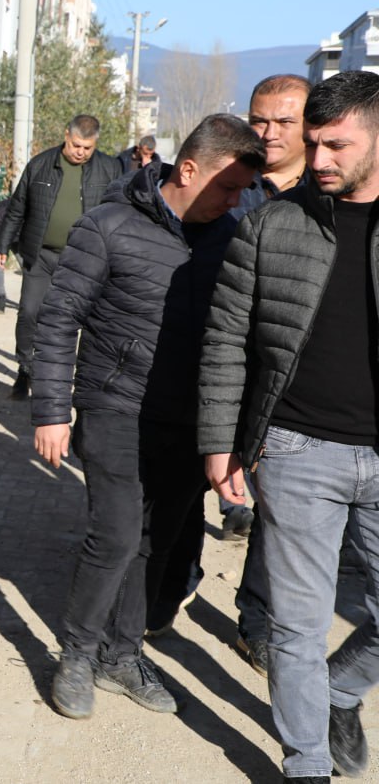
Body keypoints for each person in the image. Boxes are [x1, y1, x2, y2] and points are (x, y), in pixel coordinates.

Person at [32, 114, 263, 720]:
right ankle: (77, 655)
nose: (235, 200)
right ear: (187, 169)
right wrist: (53, 410)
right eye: (227, 187)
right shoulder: (107, 225)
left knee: (155, 543)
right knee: (113, 535)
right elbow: (57, 321)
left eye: (242, 191)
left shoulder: (233, 236)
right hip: (115, 406)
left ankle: (122, 653)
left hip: (193, 419)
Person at [198, 70, 379, 783]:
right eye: (314, 143)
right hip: (296, 450)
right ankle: (306, 765)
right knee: (298, 628)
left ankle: (339, 692)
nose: (320, 158)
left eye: (337, 144)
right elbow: (224, 340)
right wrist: (220, 442)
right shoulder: (273, 222)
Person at [146, 75, 312, 674]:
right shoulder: (230, 184)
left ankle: (257, 621)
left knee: (277, 502)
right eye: (258, 119)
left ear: (308, 125)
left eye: (282, 123)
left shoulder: (323, 192)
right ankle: (171, 583)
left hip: (285, 379)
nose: (267, 133)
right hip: (209, 366)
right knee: (192, 482)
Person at [0, 114, 120, 399]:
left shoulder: (110, 169)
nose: (81, 152)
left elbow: (120, 212)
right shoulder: (40, 165)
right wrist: (2, 245)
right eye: (77, 145)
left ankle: (72, 378)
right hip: (40, 256)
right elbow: (17, 208)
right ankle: (25, 368)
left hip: (84, 260)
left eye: (88, 148)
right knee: (29, 312)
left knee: (77, 319)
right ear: (67, 135)